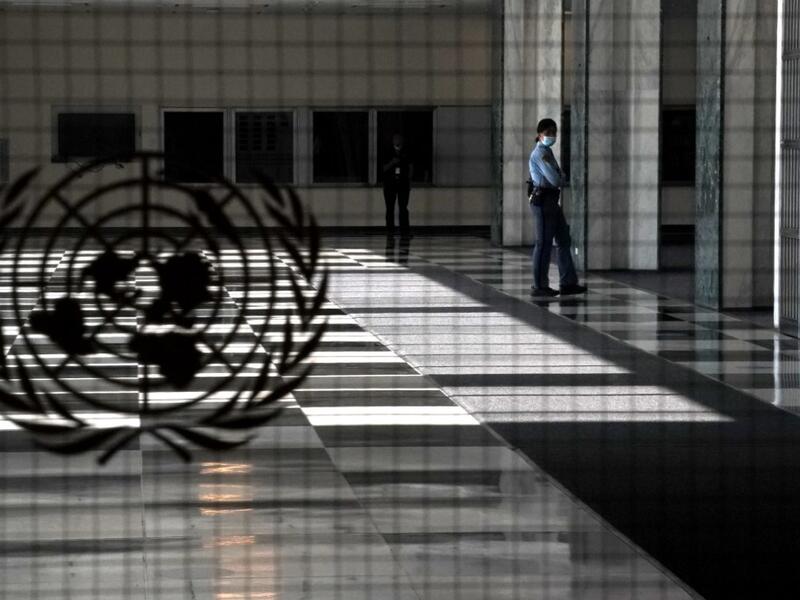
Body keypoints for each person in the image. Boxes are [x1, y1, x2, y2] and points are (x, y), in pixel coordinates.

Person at [528, 118, 587, 298]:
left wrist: (559, 177)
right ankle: (539, 285)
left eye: (554, 132)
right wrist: (561, 178)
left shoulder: (548, 151)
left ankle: (568, 282)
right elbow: (556, 179)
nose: (552, 136)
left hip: (552, 201)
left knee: (564, 240)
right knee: (543, 244)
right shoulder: (540, 154)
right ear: (539, 135)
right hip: (544, 201)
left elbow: (558, 176)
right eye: (548, 133)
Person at [382, 133, 413, 237]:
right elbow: (383, 168)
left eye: (399, 139)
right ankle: (390, 230)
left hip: (403, 183)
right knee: (390, 208)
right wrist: (392, 162)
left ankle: (405, 231)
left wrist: (409, 181)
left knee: (403, 207)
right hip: (390, 184)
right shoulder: (387, 152)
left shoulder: (407, 152)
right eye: (395, 139)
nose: (397, 141)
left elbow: (410, 167)